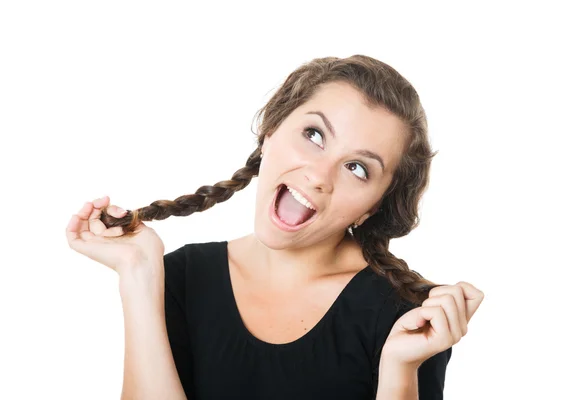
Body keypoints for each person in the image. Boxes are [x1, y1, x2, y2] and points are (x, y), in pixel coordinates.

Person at [66, 55, 484, 400]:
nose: (320, 175)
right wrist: (138, 275)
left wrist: (399, 371)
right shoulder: (179, 277)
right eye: (314, 135)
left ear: (373, 207)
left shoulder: (411, 318)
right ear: (270, 133)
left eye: (357, 168)